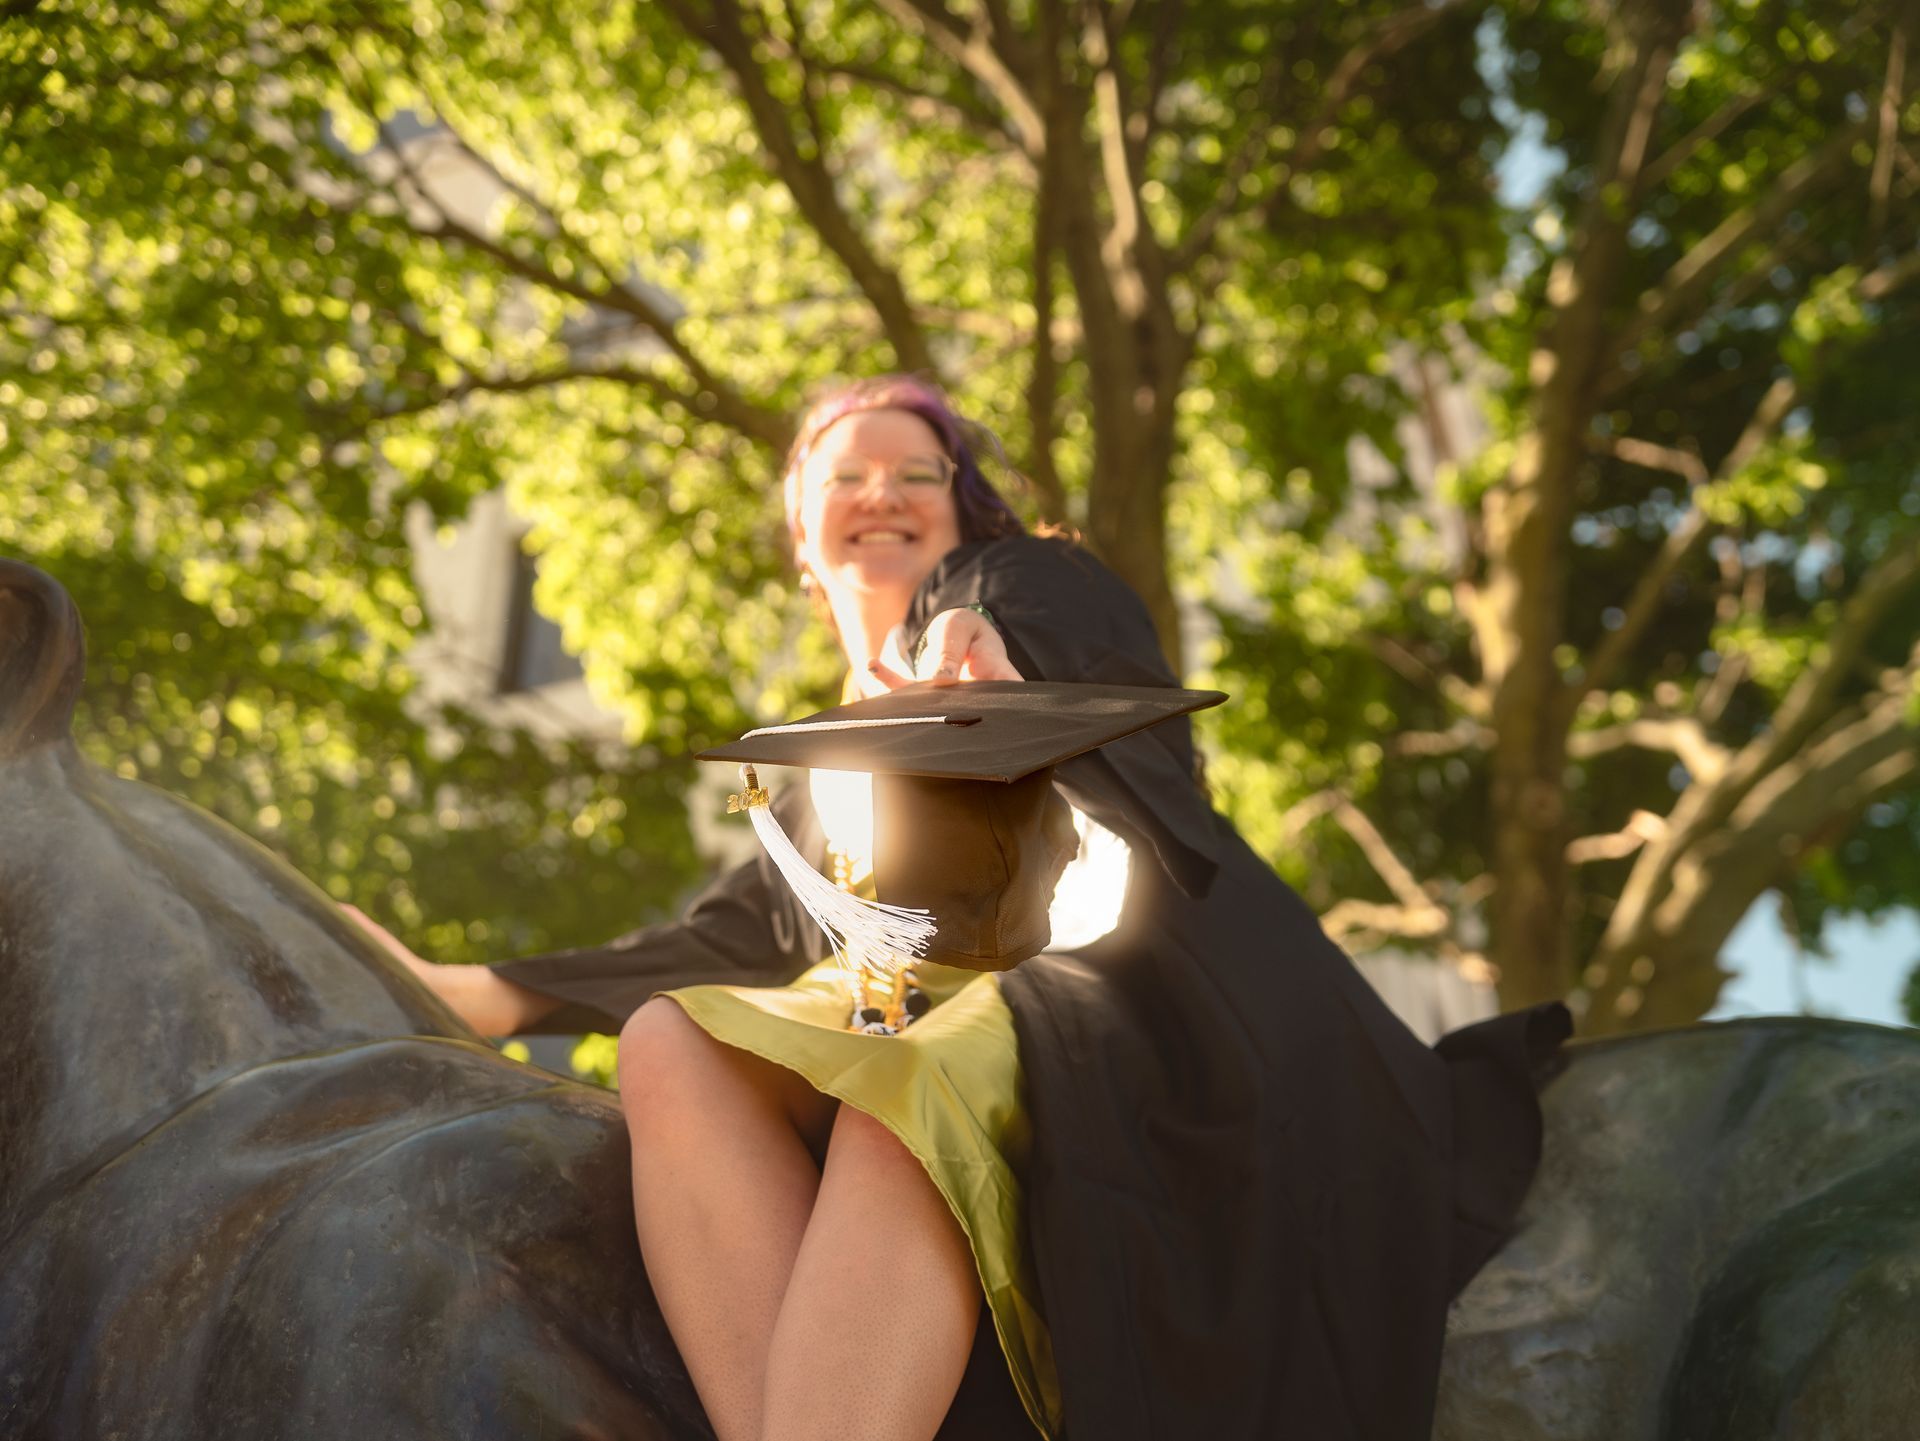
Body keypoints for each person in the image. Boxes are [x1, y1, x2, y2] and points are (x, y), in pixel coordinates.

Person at [357, 375, 1568, 1441]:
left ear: (966, 505)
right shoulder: (811, 782)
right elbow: (713, 942)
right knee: (676, 1042)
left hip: (1138, 1003)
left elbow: (1074, 674)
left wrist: (971, 642)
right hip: (921, 1030)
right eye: (846, 476)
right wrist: (444, 984)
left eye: (917, 472)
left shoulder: (1019, 582)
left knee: (894, 1078)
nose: (881, 492)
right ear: (801, 535)